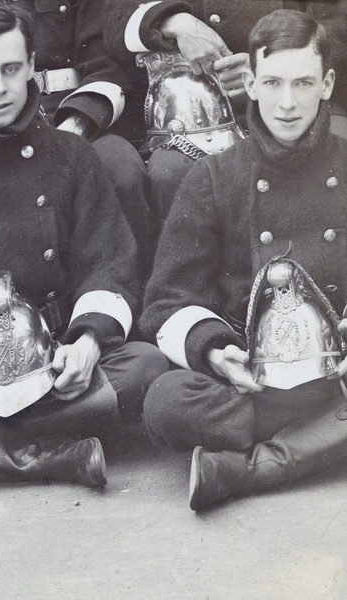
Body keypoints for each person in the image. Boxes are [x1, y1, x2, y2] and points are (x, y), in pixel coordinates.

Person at [0, 3, 169, 485]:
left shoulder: (73, 155)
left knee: (146, 366)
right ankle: (55, 456)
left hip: (53, 359)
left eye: (10, 69)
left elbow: (108, 261)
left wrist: (86, 342)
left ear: (31, 69)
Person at [139, 9, 347, 510]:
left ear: (327, 84)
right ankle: (319, 440)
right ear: (250, 83)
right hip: (253, 384)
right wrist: (214, 353)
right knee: (165, 403)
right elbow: (167, 299)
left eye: (303, 82)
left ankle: (250, 468)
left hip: (338, 372)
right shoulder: (214, 176)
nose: (288, 102)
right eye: (273, 82)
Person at [0, 0, 152, 280]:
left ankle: (126, 298)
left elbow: (106, 62)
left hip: (72, 114)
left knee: (122, 166)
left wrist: (72, 133)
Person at [104, 0, 347, 223]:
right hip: (190, 123)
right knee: (170, 174)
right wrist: (172, 22)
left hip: (294, 102)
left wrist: (272, 65)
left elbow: (339, 21)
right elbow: (113, 21)